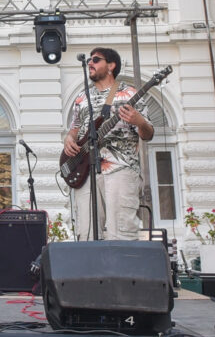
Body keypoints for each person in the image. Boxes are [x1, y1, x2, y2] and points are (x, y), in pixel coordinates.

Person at [62, 47, 154, 241]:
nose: (90, 63)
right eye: (89, 60)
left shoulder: (129, 94)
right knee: (86, 232)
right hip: (87, 171)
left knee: (120, 232)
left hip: (120, 168)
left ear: (111, 65)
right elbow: (74, 130)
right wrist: (69, 140)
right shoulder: (81, 98)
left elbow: (148, 133)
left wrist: (139, 121)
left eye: (96, 60)